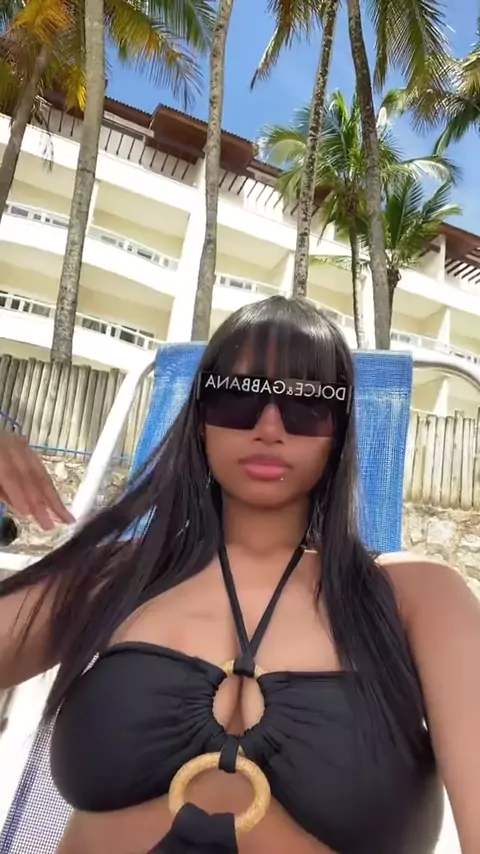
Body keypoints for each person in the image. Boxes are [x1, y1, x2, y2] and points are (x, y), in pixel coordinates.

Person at [0, 296, 479, 854]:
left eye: (307, 403)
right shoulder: (120, 573)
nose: (270, 426)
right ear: (201, 420)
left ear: (339, 432)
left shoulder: (417, 597)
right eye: (237, 395)